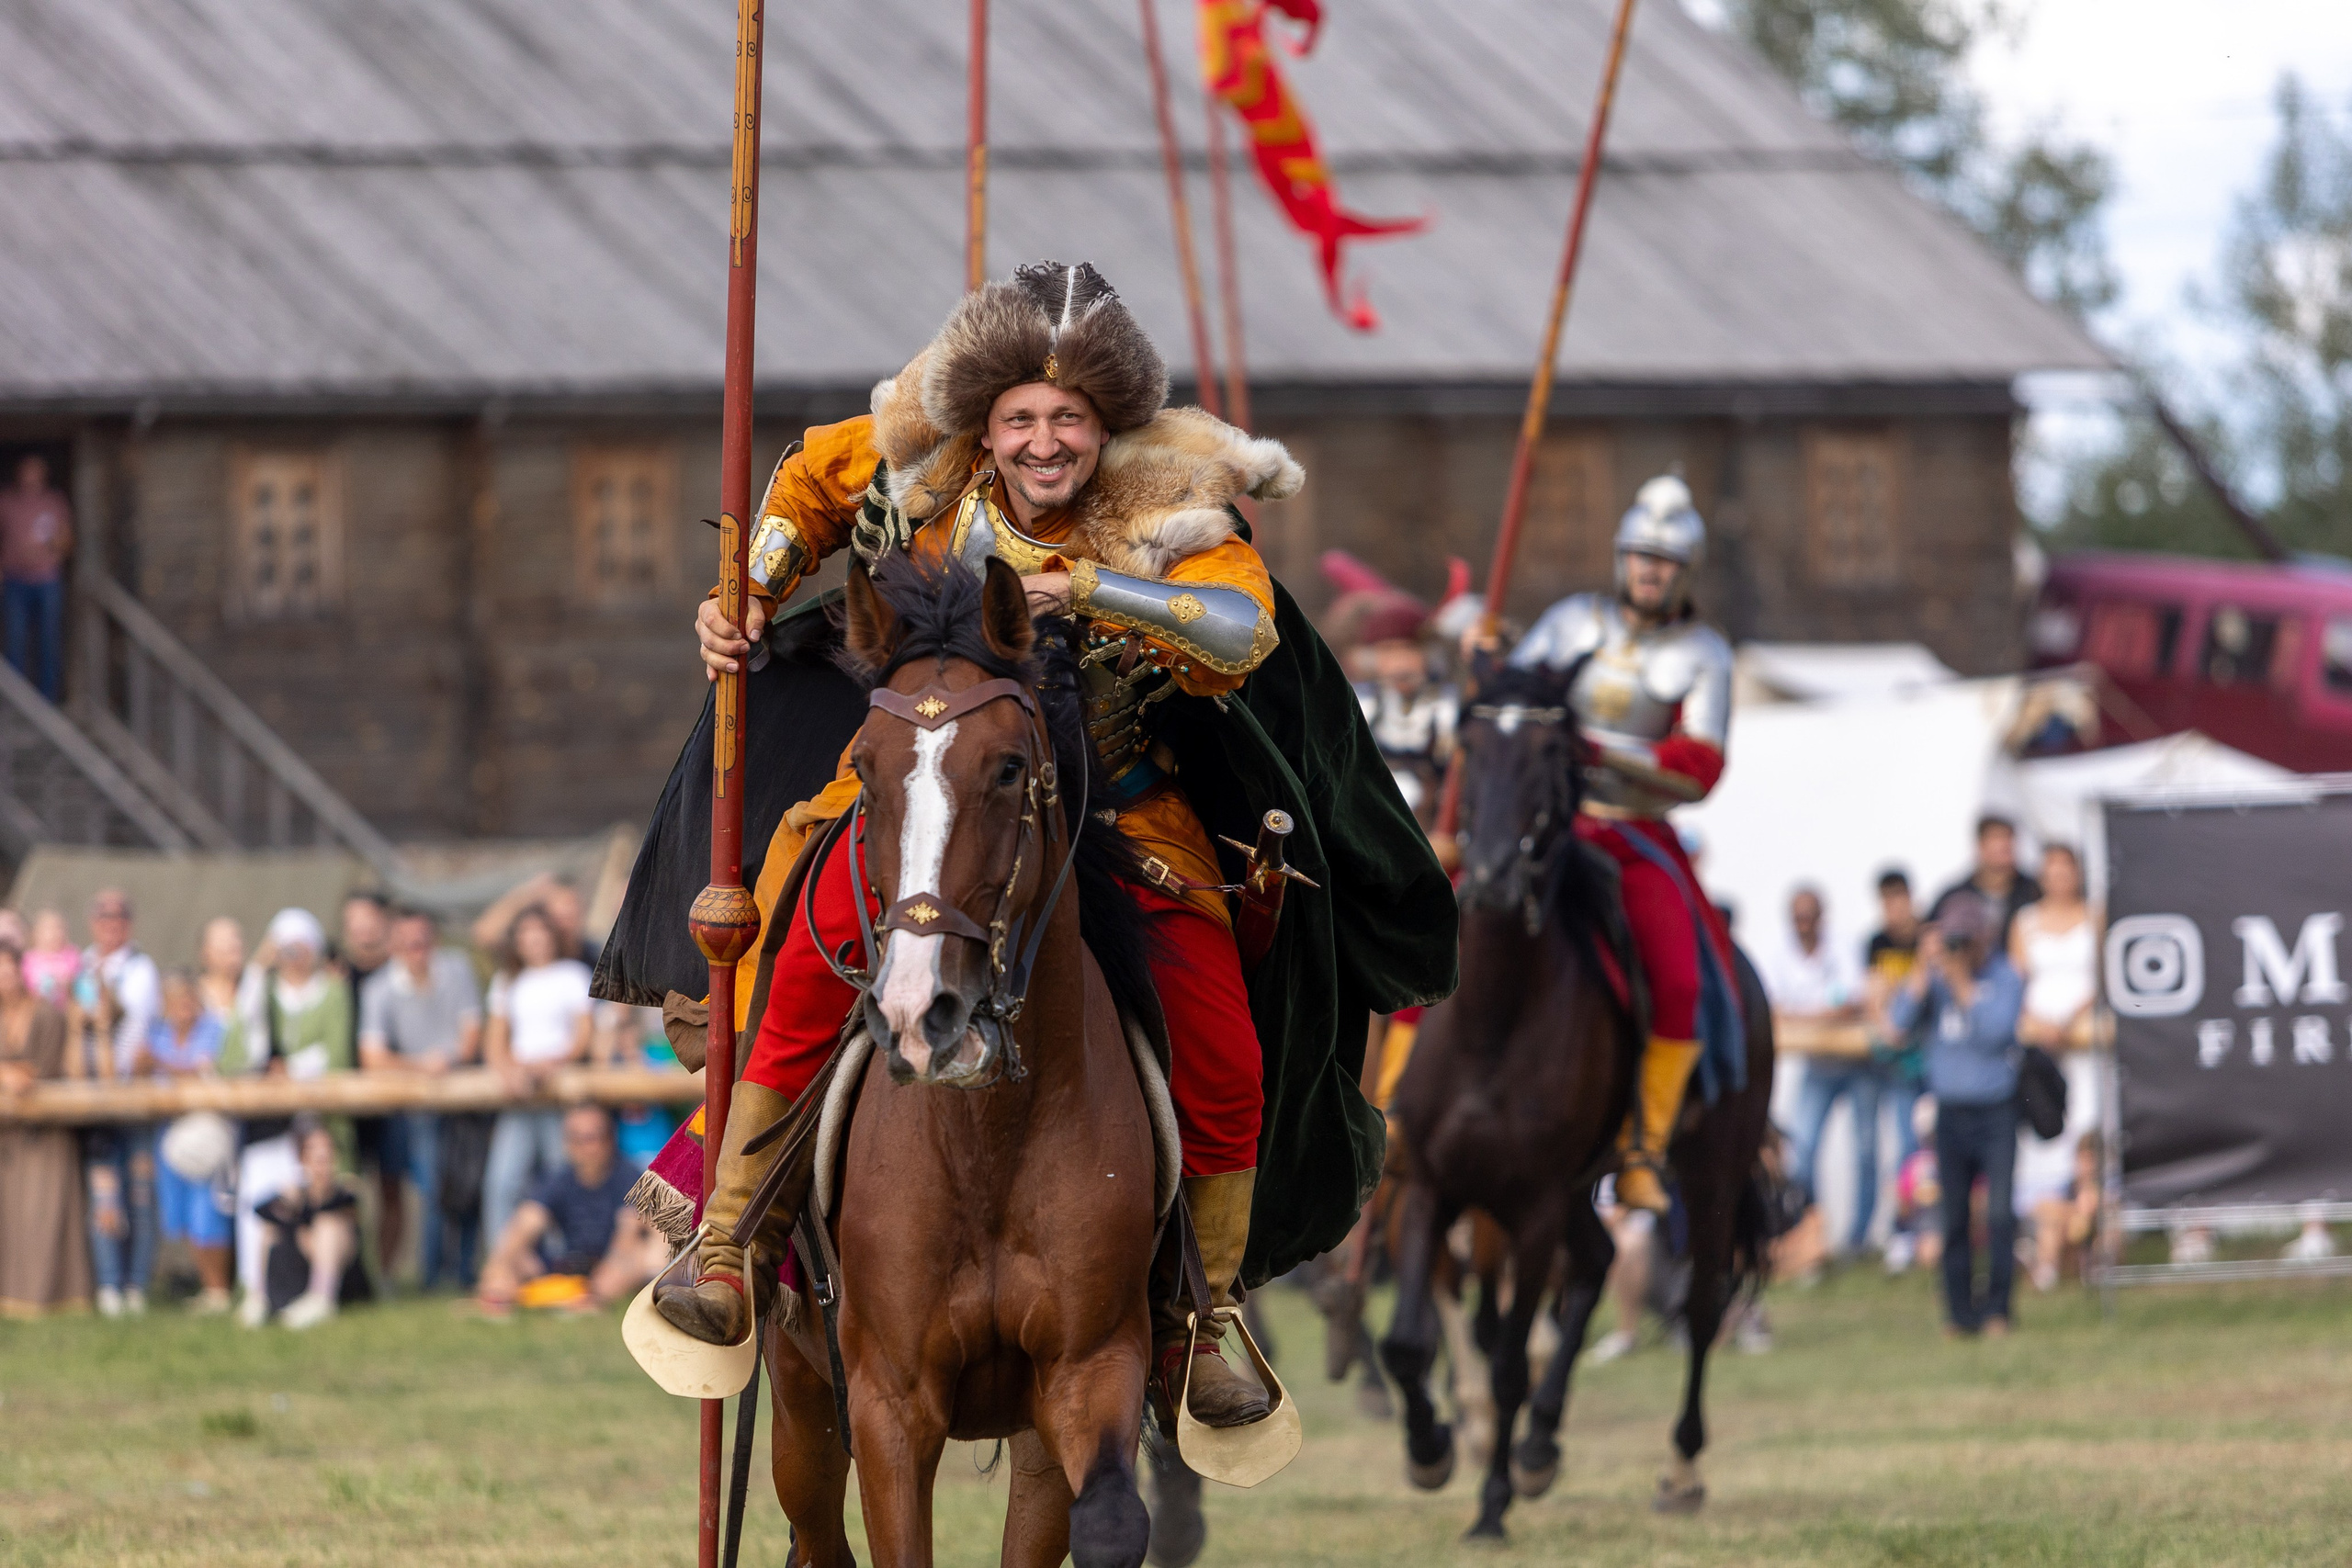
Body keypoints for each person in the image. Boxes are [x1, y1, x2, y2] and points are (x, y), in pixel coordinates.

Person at [662, 259, 1453, 1431]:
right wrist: (751, 586)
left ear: (1105, 426)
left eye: (1069, 420)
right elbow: (806, 484)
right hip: (941, 792)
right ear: (987, 421)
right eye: (1022, 419)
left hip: (1121, 810)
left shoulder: (1168, 498)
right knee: (810, 933)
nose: (1044, 443)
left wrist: (1090, 588)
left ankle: (1207, 1315)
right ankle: (731, 1235)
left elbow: (1241, 629)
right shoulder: (927, 464)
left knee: (1223, 1043)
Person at [1506, 474, 1738, 1215]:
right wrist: (1478, 644)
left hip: (1637, 834)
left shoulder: (1705, 654)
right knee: (1454, 922)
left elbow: (1701, 766)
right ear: (1622, 557)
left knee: (1679, 981)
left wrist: (1603, 753)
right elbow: (1515, 691)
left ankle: (1644, 1147)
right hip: (1549, 823)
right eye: (1641, 554)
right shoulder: (1572, 619)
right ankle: (1398, 1099)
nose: (1650, 569)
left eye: (1665, 560)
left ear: (1685, 572)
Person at [1889, 894, 2025, 1337]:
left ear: (1983, 937)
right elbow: (1895, 1027)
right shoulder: (1933, 979)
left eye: (1964, 939)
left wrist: (1962, 982)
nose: (1957, 948)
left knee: (2000, 1215)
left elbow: (1995, 1034)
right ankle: (1959, 1312)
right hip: (1950, 1115)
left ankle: (1998, 1310)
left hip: (1996, 1111)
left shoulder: (2005, 976)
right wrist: (1919, 976)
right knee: (1952, 1218)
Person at [232, 908, 354, 1327]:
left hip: (320, 1116)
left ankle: (323, 1290)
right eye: (285, 948)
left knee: (324, 1187)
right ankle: (256, 1289)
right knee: (262, 1187)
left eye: (301, 947)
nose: (293, 956)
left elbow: (336, 1056)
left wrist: (293, 1071)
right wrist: (255, 971)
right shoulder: (263, 992)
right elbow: (236, 1050)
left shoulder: (332, 992)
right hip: (274, 1120)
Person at [358, 908, 484, 1289]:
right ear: (395, 946)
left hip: (465, 1100)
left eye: (423, 942)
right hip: (420, 1106)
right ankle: (434, 1275)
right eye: (409, 943)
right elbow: (371, 1058)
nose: (418, 950)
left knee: (469, 1185)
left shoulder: (456, 969)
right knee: (431, 1188)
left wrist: (438, 1061)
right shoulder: (379, 988)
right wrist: (424, 1065)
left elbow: (471, 1037)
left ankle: (461, 1271)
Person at [1768, 887, 1876, 1254]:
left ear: (1821, 917)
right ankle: (1809, 1231)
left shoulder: (1842, 946)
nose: (1803, 926)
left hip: (1859, 1065)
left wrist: (1803, 1016)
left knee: (1865, 1152)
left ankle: (1859, 1238)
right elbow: (1774, 1008)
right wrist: (1823, 1015)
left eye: (1809, 917)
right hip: (1817, 1066)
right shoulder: (1781, 953)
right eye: (1797, 918)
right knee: (1803, 1148)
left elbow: (1852, 1002)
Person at [477, 1105, 662, 1316]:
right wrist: (499, 1267)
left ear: (610, 1140)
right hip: (570, 1265)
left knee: (646, 1252)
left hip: (616, 1264)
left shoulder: (630, 1176)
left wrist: (599, 1287)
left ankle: (596, 1297)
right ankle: (497, 1289)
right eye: (578, 1139)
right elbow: (527, 1220)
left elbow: (628, 1236)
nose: (588, 1148)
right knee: (522, 1237)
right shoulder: (559, 1177)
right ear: (567, 1144)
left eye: (594, 1138)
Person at [481, 906, 593, 1244]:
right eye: (527, 935)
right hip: (520, 1095)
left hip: (560, 1092)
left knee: (560, 1177)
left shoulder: (573, 974)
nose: (535, 942)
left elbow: (582, 1037)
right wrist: (510, 1073)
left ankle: (564, 1258)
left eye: (541, 933)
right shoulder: (506, 981)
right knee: (503, 1180)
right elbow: (495, 1043)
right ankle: (501, 1263)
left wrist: (552, 1063)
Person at [0, 937, 93, 1315]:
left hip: (47, 1129)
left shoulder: (46, 1014)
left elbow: (44, 1071)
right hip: (6, 1134)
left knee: (46, 1215)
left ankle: (56, 1296)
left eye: (7, 967)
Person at [83, 888, 163, 1314]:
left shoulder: (140, 969)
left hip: (130, 1093)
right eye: (103, 914)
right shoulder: (82, 965)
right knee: (105, 1193)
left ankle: (137, 1284)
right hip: (94, 1096)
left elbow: (128, 1026)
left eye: (119, 915)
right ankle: (110, 1284)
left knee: (141, 1191)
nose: (111, 922)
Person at [146, 972, 235, 1312]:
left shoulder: (215, 1029)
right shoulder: (159, 1033)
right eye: (176, 1002)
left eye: (189, 1000)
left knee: (207, 1212)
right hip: (168, 1135)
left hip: (205, 1134)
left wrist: (160, 1063)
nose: (184, 1008)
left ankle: (219, 1288)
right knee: (180, 1213)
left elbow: (202, 1071)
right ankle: (206, 1285)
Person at [335, 894, 405, 1280]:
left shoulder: (397, 973)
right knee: (348, 1185)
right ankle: (352, 1271)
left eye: (369, 919)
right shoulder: (334, 970)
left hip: (391, 1093)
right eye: (354, 919)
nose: (362, 928)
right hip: (347, 1096)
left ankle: (386, 1274)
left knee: (392, 1187)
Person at [254, 1117, 368, 1329]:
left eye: (327, 1157)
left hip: (343, 1278)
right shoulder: (297, 1193)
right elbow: (260, 1211)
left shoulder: (345, 1192)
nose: (322, 1166)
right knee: (270, 1228)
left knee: (327, 1226)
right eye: (316, 1159)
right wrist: (288, 1201)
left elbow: (336, 1208)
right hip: (300, 1271)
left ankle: (322, 1297)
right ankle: (259, 1296)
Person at [1862, 870, 1928, 1170]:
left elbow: (1923, 989)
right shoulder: (1877, 942)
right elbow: (1874, 990)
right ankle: (1909, 1214)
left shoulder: (1927, 938)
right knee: (1906, 1142)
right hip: (1901, 1058)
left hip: (1928, 1051)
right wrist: (1886, 1025)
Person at [0, 454, 74, 702]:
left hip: (47, 580)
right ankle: (17, 702)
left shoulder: (54, 502)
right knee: (15, 642)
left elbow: (66, 541)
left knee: (48, 641)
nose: (30, 476)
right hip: (14, 581)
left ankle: (47, 700)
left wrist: (48, 546)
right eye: (26, 471)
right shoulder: (7, 501)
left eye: (35, 471)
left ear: (43, 474)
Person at [2010, 844, 2097, 1054]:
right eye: (2054, 874)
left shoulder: (2095, 916)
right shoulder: (2024, 920)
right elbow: (2015, 980)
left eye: (2066, 873)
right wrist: (2040, 1025)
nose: (2060, 879)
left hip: (2086, 1027)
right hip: (2037, 1030)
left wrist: (2071, 1019)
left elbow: (2104, 978)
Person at [1930, 815, 2043, 952]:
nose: (2004, 845)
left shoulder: (2033, 891)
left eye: (2009, 838)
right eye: (1997, 838)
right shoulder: (1955, 896)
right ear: (1980, 845)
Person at [2030, 1128, 2103, 1291]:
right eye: (2084, 1160)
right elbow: (2041, 1206)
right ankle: (2047, 1272)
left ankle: (2098, 1268)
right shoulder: (2068, 1187)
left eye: (2092, 1160)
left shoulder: (2106, 1187)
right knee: (2051, 1222)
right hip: (2070, 1239)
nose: (2088, 1167)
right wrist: (2074, 1211)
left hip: (2096, 1238)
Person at [22, 908, 81, 1010]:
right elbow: (26, 983)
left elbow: (76, 975)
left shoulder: (71, 954)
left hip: (67, 1008)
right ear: (35, 933)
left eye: (59, 928)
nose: (55, 933)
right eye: (49, 929)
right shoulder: (29, 959)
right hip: (39, 1010)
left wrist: (66, 982)